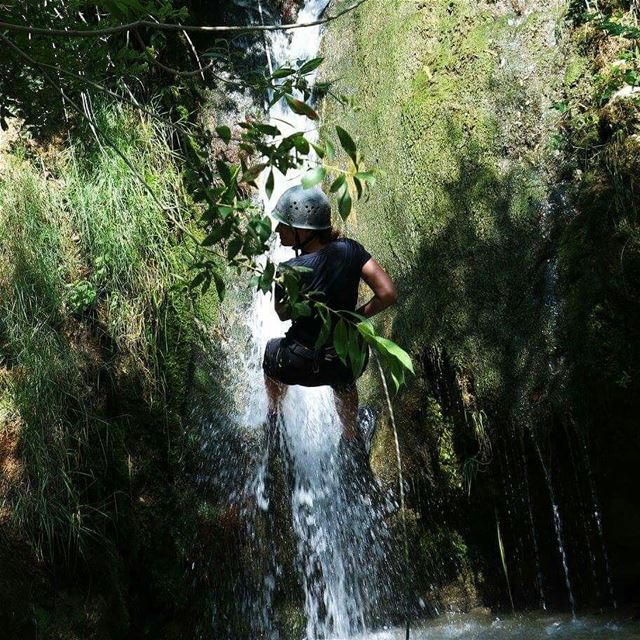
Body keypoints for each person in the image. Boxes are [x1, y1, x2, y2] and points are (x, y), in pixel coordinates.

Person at [262, 185, 397, 442]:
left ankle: (274, 420)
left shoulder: (288, 270)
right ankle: (351, 437)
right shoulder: (351, 251)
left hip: (296, 363)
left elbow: (282, 314)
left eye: (284, 225)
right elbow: (388, 292)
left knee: (271, 355)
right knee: (344, 378)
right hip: (341, 361)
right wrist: (353, 318)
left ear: (303, 230)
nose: (278, 231)